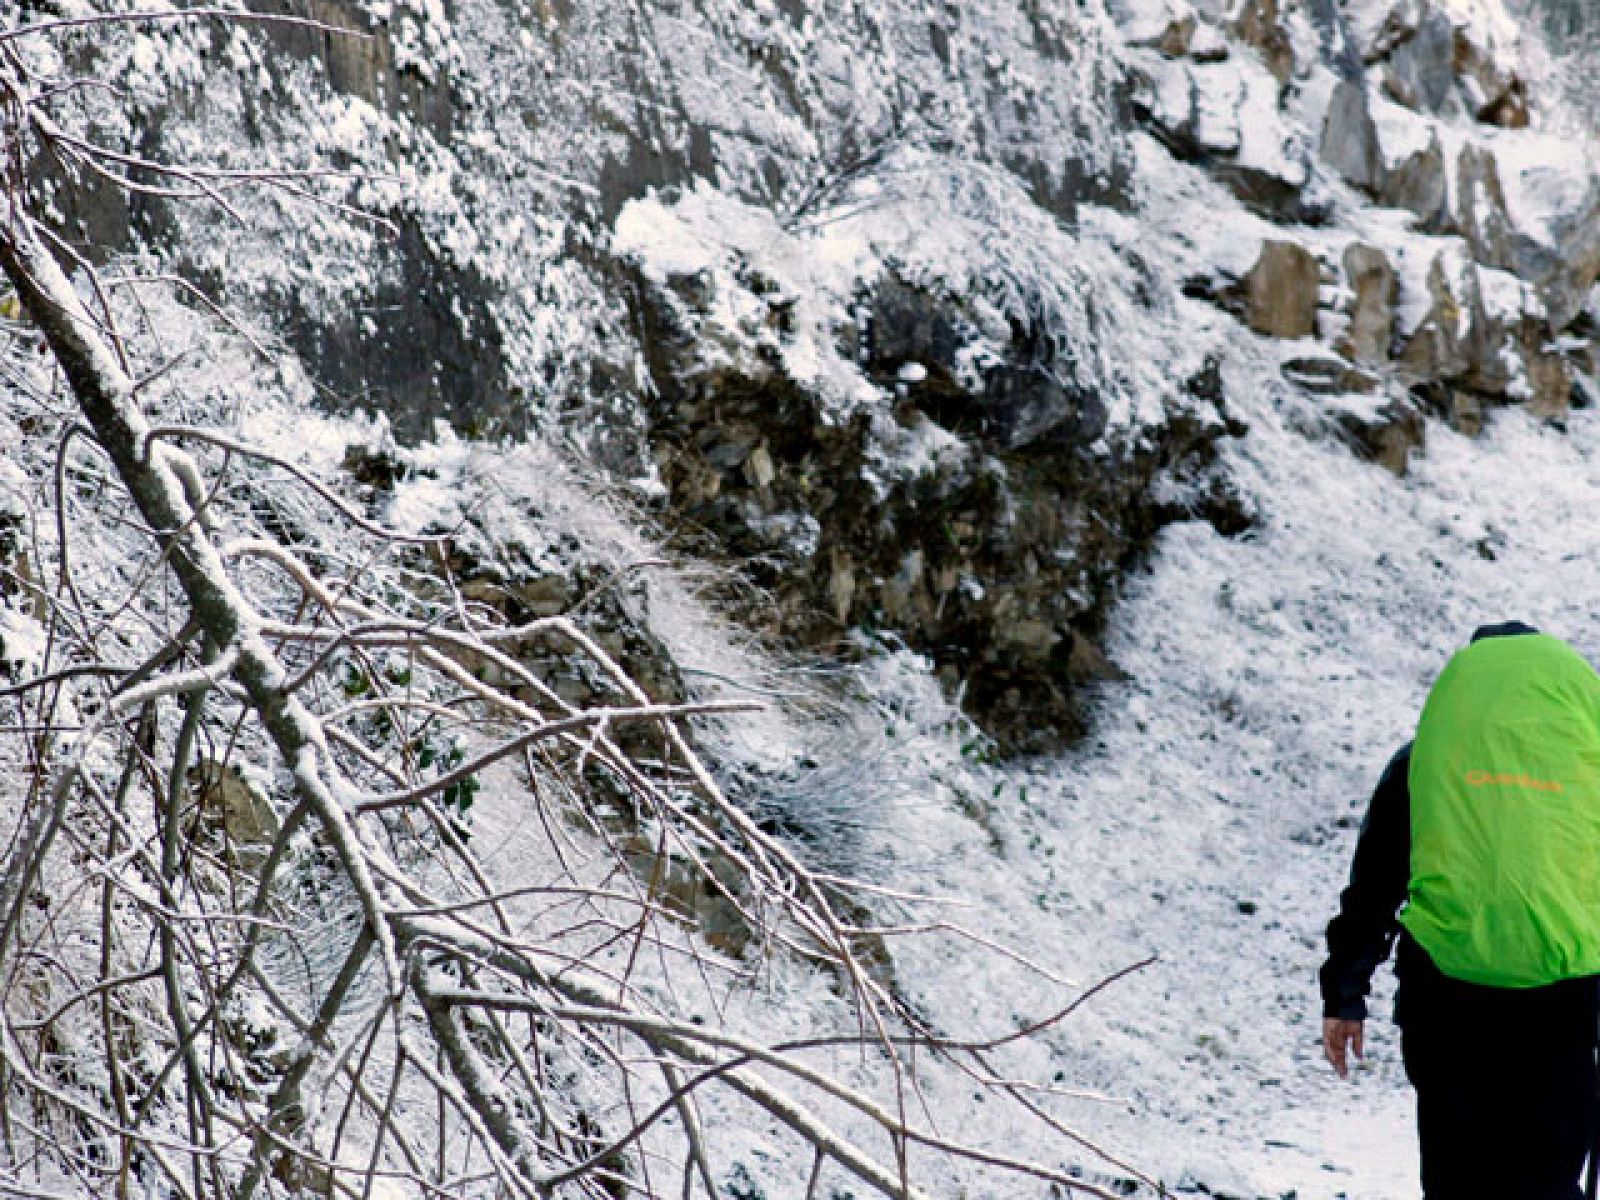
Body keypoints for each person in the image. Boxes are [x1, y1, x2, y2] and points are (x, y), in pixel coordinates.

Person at [1320, 621, 1600, 1200]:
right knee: (1546, 1181)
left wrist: (1345, 993)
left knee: (1457, 1180)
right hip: (1562, 1008)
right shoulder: (1585, 768)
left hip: (1445, 1005)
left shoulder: (1427, 764)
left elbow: (1374, 885)